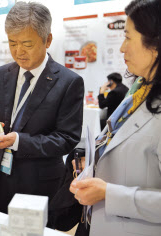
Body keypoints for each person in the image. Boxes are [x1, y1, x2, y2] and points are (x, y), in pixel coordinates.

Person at [0, 2, 84, 214]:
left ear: (48, 40)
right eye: (12, 43)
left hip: (38, 186)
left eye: (27, 44)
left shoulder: (69, 82)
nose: (18, 52)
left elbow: (66, 139)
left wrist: (18, 142)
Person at [70, 0, 161, 235]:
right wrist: (95, 166)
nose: (122, 48)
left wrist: (108, 194)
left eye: (129, 37)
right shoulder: (138, 92)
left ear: (155, 44)